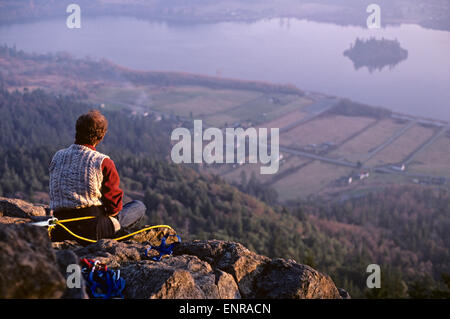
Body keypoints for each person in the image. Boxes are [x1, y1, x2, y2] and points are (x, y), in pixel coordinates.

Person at [49, 109, 145, 244]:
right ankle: (116, 234)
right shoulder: (102, 162)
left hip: (61, 228)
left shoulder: (58, 156)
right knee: (138, 206)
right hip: (93, 230)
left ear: (77, 130)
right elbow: (114, 207)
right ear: (101, 136)